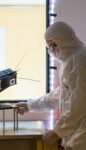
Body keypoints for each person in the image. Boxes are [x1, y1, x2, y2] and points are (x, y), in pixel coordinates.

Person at [16, 21, 86, 150]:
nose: (51, 50)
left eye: (50, 46)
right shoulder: (72, 59)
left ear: (56, 43)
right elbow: (60, 95)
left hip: (81, 140)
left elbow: (80, 103)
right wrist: (29, 105)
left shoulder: (78, 60)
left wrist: (57, 132)